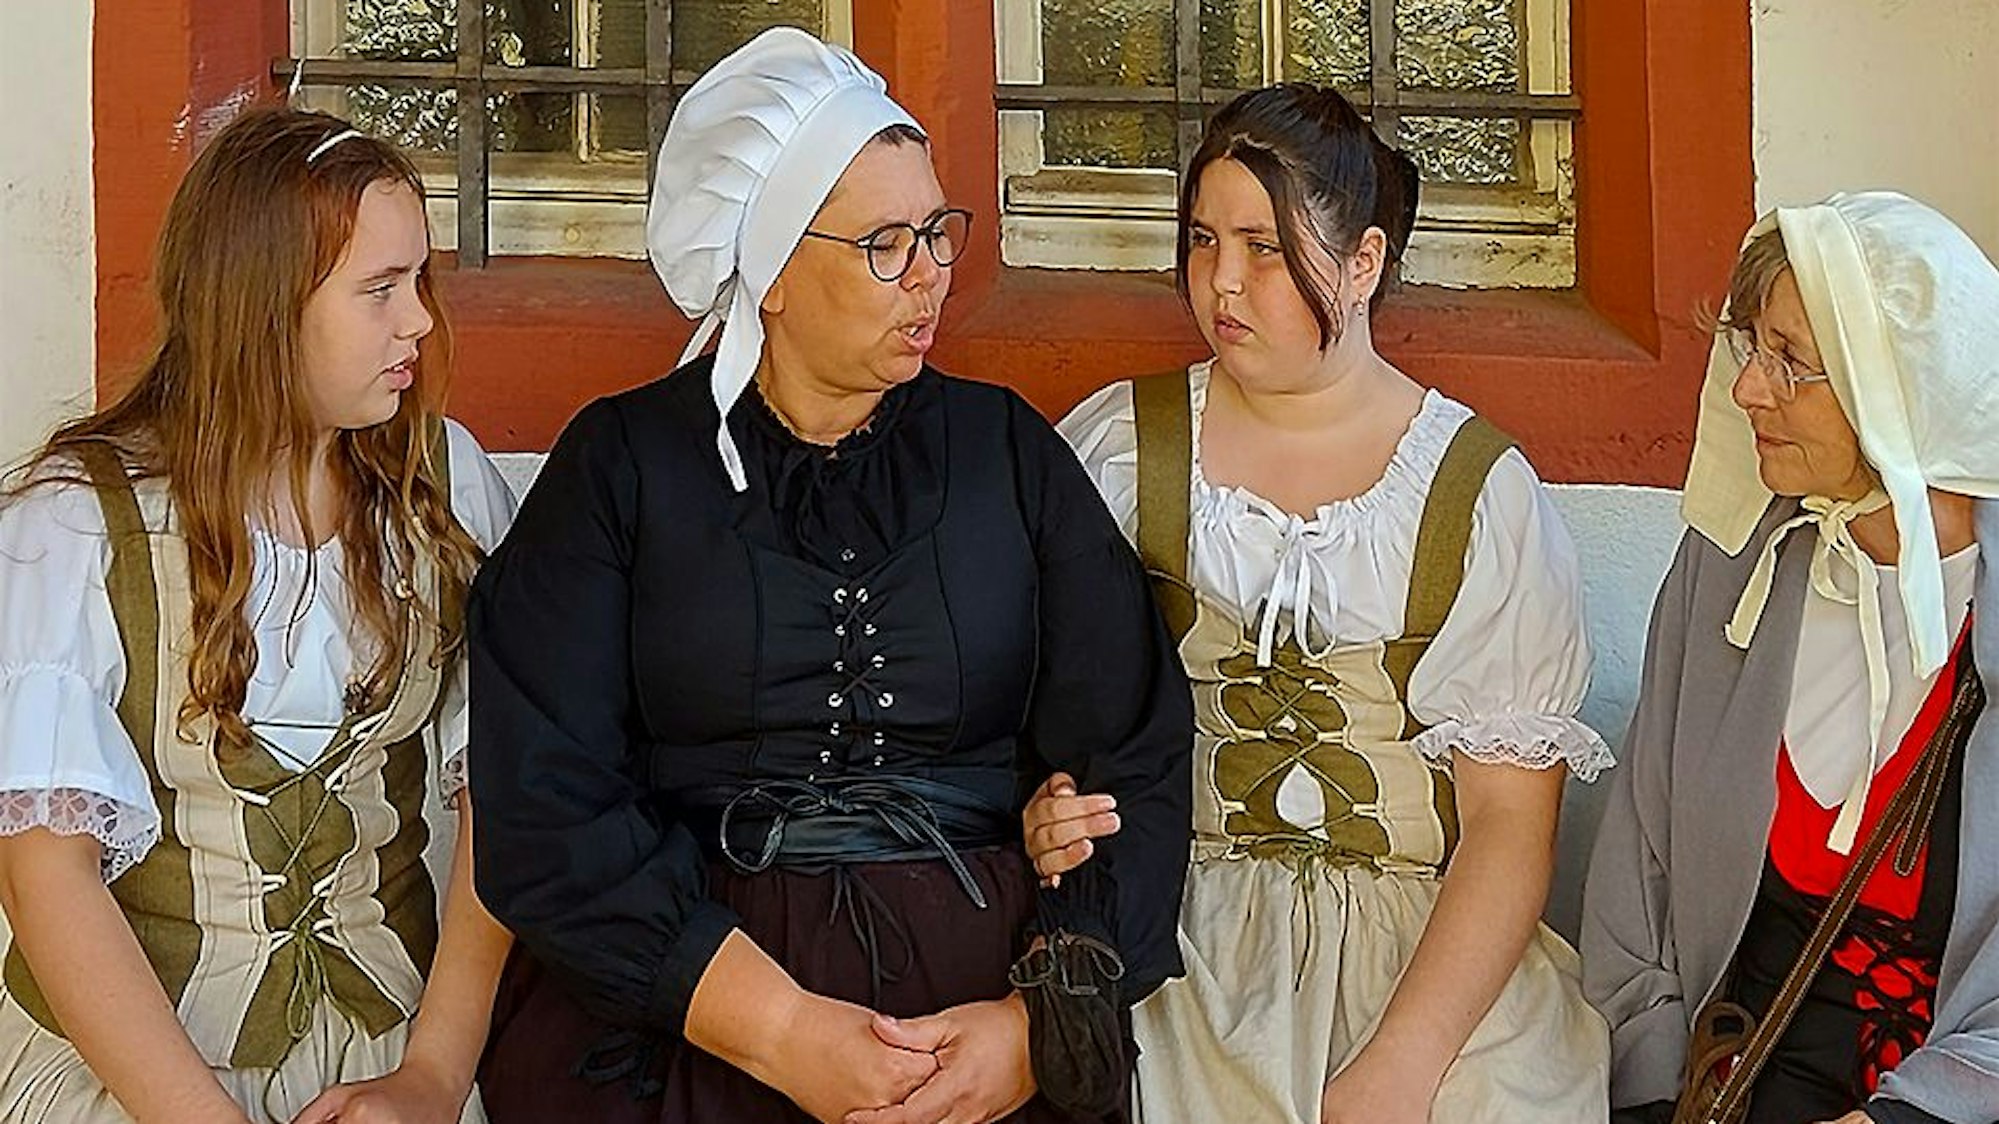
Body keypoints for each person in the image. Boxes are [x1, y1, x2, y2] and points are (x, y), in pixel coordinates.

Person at [466, 28, 1192, 1124]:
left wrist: (1036, 1025)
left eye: (937, 232)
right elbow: (547, 803)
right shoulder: (622, 467)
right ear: (771, 271)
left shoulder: (1002, 452)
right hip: (687, 1018)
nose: (933, 275)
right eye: (885, 244)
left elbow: (1126, 754)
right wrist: (780, 1030)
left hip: (979, 1020)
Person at [1022, 84, 1611, 1124]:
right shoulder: (1121, 450)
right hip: (1184, 927)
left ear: (1364, 263)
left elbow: (1509, 826)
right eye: (1203, 240)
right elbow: (1033, 705)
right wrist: (1044, 804)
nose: (1222, 283)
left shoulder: (1474, 490)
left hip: (1422, 945)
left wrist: (1404, 1059)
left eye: (1263, 246)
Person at [0, 107, 515, 1124]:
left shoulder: (446, 486)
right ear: (264, 309)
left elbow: (508, 806)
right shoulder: (77, 525)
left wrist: (434, 1074)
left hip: (394, 1054)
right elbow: (45, 878)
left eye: (420, 282)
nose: (418, 320)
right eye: (379, 290)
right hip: (139, 1070)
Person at [1583, 192, 1999, 1124]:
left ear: (1899, 387)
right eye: (1751, 349)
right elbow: (1636, 877)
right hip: (1732, 1079)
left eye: (1792, 364)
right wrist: (1650, 1089)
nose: (1746, 391)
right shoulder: (1732, 567)